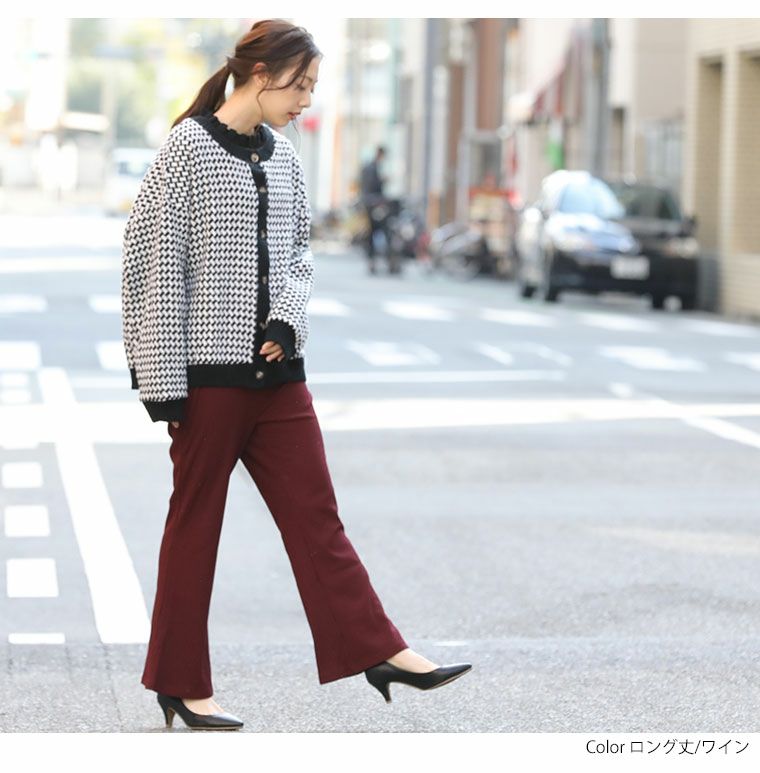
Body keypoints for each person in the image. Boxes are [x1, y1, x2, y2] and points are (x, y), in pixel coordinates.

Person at [121, 19, 471, 732]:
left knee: (317, 517)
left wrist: (286, 318)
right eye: (300, 85)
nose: (306, 100)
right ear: (259, 74)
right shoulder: (186, 150)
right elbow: (150, 265)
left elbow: (299, 254)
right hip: (208, 379)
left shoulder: (284, 157)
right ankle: (179, 683)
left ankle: (379, 649)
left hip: (279, 381)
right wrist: (162, 382)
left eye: (312, 87)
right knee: (196, 525)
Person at [359, 145, 389, 274]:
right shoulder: (373, 168)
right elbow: (373, 186)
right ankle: (374, 260)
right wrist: (383, 181)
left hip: (369, 203)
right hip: (374, 204)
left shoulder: (369, 167)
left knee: (372, 232)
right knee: (378, 230)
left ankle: (373, 260)